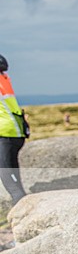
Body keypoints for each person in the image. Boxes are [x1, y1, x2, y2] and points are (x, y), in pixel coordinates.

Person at [0, 54, 28, 205]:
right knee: (11, 169)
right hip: (15, 131)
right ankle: (21, 200)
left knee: (5, 170)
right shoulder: (4, 80)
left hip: (5, 133)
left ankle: (20, 203)